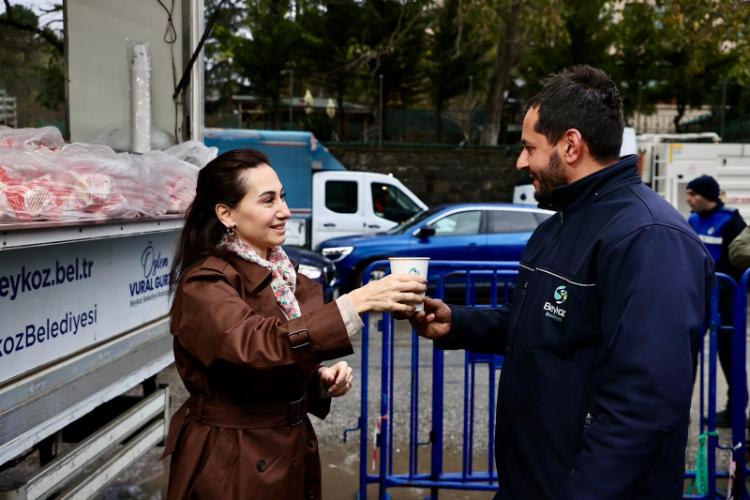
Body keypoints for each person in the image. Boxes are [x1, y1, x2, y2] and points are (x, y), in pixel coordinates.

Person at [408, 66, 713, 499]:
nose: (521, 162)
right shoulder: (559, 225)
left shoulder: (650, 238)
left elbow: (645, 405)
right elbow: (540, 326)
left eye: (529, 147)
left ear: (570, 145)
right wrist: (457, 323)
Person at [164, 149, 426, 499]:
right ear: (226, 214)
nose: (285, 211)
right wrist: (355, 303)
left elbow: (276, 359)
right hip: (233, 460)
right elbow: (253, 345)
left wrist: (317, 380)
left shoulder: (282, 276)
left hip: (285, 450)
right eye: (268, 200)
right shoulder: (205, 282)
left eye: (283, 196)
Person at [686, 174, 747, 427]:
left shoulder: (731, 220)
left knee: (730, 357)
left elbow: (739, 261)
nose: (688, 199)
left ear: (708, 196)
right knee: (685, 356)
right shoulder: (692, 220)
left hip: (726, 300)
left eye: (693, 194)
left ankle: (735, 412)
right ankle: (679, 409)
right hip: (697, 298)